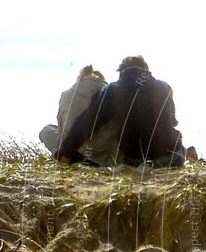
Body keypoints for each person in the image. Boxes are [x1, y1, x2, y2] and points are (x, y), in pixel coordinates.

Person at [58, 55, 196, 168]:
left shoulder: (113, 90)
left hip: (137, 162)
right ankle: (187, 157)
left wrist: (67, 151)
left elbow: (87, 123)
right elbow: (173, 121)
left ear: (121, 72)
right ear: (146, 70)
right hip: (173, 157)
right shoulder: (165, 87)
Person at [39, 65, 122, 166]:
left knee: (47, 130)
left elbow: (62, 127)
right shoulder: (112, 95)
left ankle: (61, 158)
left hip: (72, 155)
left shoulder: (67, 95)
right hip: (105, 158)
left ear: (80, 78)